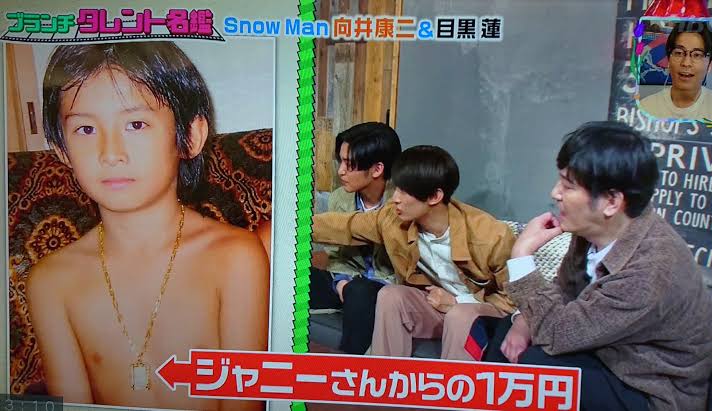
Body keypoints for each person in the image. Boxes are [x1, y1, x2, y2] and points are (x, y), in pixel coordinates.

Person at [26, 42, 268, 411]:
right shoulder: (51, 281)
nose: (110, 153)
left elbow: (242, 403)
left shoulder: (235, 258)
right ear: (62, 150)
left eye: (136, 124)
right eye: (86, 129)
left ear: (190, 136)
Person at [477, 121, 712, 411]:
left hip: (647, 388)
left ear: (611, 202)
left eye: (568, 186)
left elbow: (557, 333)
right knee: (508, 332)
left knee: (538, 367)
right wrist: (521, 323)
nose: (555, 193)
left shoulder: (650, 270)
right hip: (604, 352)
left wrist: (521, 256)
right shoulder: (594, 231)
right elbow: (562, 291)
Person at [312, 145, 516, 360]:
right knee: (391, 296)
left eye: (404, 191)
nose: (395, 198)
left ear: (435, 196)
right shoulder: (393, 219)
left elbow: (513, 302)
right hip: (436, 304)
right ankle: (386, 376)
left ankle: (452, 382)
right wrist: (293, 223)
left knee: (459, 315)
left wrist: (459, 302)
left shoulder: (491, 236)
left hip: (481, 312)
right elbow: (346, 226)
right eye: (396, 189)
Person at [310, 122, 401, 354]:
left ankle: (349, 366)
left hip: (385, 287)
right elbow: (336, 255)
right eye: (340, 162)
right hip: (347, 282)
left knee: (359, 291)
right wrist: (340, 281)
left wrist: (352, 287)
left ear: (377, 169)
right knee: (293, 277)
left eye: (349, 164)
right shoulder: (340, 198)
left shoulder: (402, 201)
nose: (341, 171)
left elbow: (405, 266)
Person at [640, 21, 712, 120]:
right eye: (679, 53)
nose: (686, 63)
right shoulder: (646, 109)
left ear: (710, 65)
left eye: (697, 55)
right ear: (668, 60)